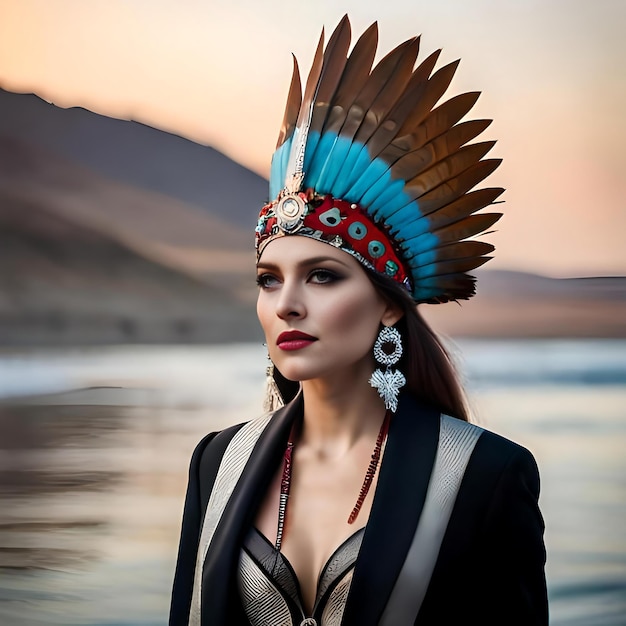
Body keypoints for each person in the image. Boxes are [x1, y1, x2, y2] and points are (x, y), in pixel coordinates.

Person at [169, 16, 548, 626]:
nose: (288, 303)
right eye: (270, 279)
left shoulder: (484, 474)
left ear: (390, 303)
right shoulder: (218, 462)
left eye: (323, 275)